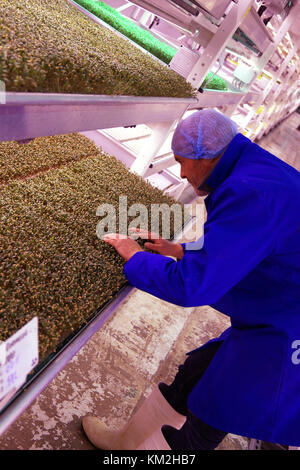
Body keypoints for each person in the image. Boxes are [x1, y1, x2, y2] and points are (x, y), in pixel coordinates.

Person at [82, 109, 300, 450]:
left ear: (208, 157)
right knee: (197, 370)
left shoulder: (250, 194)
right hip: (279, 310)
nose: (182, 174)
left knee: (215, 413)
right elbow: (244, 245)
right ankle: (127, 442)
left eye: (184, 162)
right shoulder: (251, 168)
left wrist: (135, 258)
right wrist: (180, 249)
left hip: (286, 334)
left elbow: (192, 285)